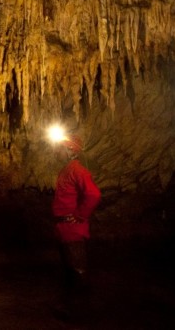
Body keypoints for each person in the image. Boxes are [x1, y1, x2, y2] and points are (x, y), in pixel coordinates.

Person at [51, 134, 101, 317]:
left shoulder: (77, 170)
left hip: (72, 229)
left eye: (60, 149)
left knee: (77, 269)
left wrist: (79, 215)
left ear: (71, 151)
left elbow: (94, 194)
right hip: (63, 228)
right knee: (69, 269)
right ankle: (71, 306)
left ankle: (80, 311)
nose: (57, 152)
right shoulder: (66, 170)